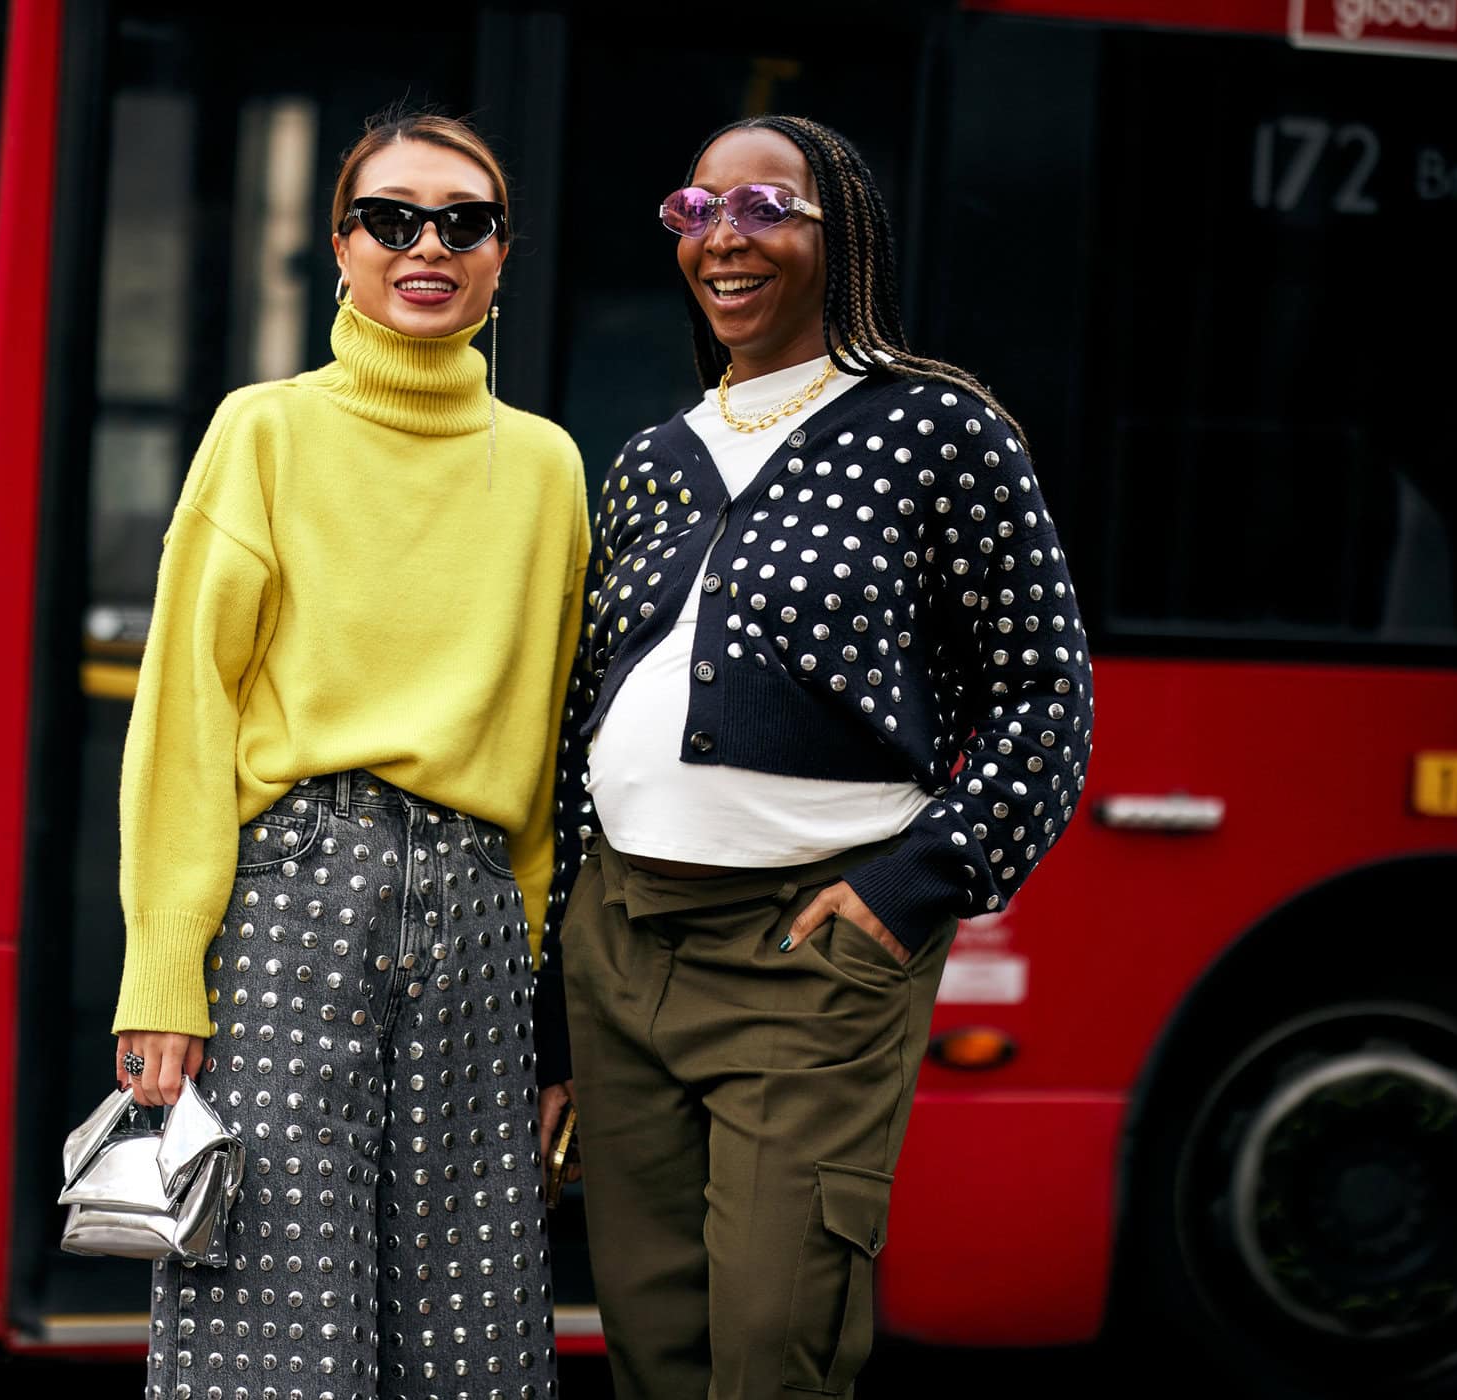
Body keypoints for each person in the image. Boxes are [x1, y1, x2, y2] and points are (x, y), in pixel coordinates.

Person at [537, 114, 1095, 1400]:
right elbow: (580, 737)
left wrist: (910, 891)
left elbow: (1043, 695)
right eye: (698, 211)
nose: (724, 238)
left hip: (807, 946)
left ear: (842, 234)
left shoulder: (937, 429)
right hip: (619, 946)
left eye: (765, 208)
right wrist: (556, 1008)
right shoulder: (649, 461)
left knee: (774, 1343)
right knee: (652, 1342)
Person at [112, 110, 587, 1400]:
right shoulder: (262, 432)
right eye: (390, 217)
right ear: (340, 246)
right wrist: (165, 966)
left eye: (463, 220)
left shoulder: (547, 467)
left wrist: (544, 1002)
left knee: (472, 1325)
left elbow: (542, 751)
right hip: (293, 894)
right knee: (271, 1318)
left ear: (501, 254)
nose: (425, 245)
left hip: (481, 916)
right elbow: (185, 710)